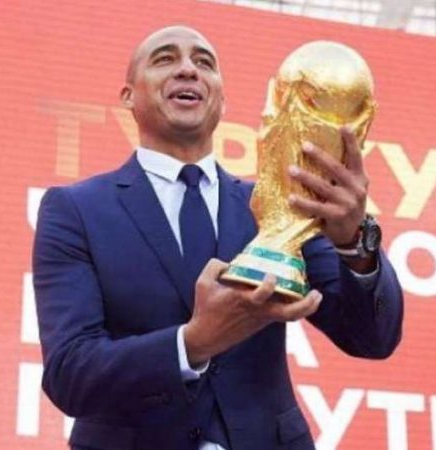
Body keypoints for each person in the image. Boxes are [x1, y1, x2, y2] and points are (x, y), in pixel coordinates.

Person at [33, 25, 403, 450]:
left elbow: (374, 337)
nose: (188, 70)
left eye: (204, 62)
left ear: (222, 100)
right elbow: (69, 373)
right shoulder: (76, 210)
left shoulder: (281, 206)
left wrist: (355, 242)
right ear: (128, 96)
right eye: (165, 59)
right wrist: (191, 344)